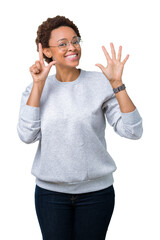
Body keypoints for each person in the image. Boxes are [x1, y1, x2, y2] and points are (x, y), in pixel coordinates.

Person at [17, 15, 143, 240]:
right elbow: (27, 136)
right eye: (62, 44)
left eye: (75, 41)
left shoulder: (100, 82)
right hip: (50, 195)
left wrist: (117, 85)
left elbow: (133, 131)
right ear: (46, 51)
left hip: (96, 194)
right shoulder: (36, 87)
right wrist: (38, 85)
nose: (72, 47)